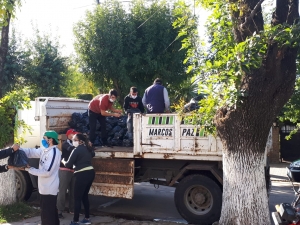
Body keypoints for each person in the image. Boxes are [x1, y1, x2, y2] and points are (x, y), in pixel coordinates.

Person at [13, 130, 61, 225]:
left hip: (49, 188)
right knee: (50, 213)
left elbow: (47, 172)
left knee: (47, 216)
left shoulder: (54, 153)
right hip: (44, 188)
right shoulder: (45, 150)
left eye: (44, 138)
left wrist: (29, 169)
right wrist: (18, 149)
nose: (43, 140)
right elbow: (31, 152)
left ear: (50, 140)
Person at [62, 133, 95, 225]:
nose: (73, 141)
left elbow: (68, 164)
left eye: (74, 140)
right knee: (84, 196)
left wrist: (63, 161)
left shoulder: (76, 150)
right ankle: (87, 218)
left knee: (77, 198)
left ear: (80, 141)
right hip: (90, 173)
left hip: (81, 174)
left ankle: (75, 221)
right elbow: (93, 154)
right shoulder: (88, 148)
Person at [57, 129, 78, 218]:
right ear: (68, 135)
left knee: (73, 191)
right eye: (72, 134)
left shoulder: (76, 144)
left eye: (75, 134)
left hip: (73, 170)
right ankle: (59, 211)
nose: (74, 136)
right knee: (62, 191)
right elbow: (72, 150)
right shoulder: (66, 143)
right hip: (64, 170)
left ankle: (72, 209)